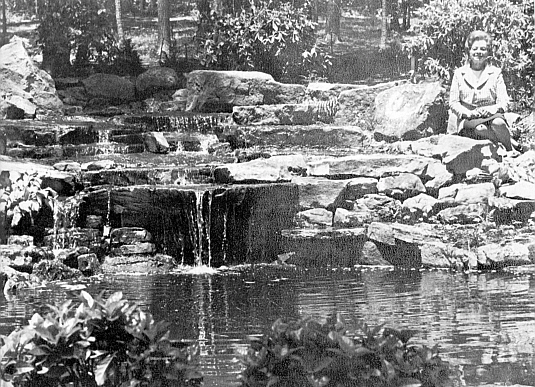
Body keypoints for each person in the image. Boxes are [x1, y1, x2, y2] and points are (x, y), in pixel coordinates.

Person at [448, 30, 518, 152]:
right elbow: (453, 102)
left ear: (488, 52)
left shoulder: (495, 73)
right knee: (480, 129)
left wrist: (492, 109)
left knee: (498, 123)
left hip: (492, 116)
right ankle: (510, 144)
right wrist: (466, 113)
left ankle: (509, 149)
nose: (478, 52)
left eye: (483, 49)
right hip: (468, 119)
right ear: (468, 51)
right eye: (475, 49)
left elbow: (504, 101)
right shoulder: (459, 74)